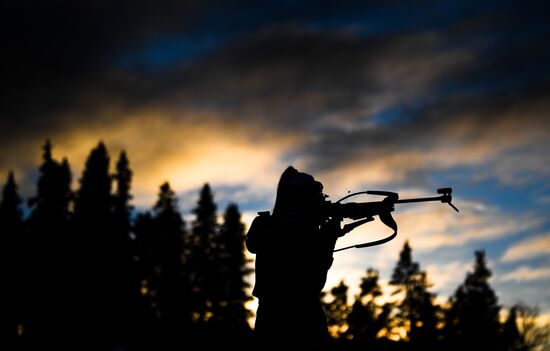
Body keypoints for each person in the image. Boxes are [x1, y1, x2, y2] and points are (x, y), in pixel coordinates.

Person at [245, 166, 343, 350]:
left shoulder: (272, 226)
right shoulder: (268, 226)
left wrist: (327, 238)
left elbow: (315, 278)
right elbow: (313, 278)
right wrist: (327, 238)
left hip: (285, 316)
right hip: (292, 317)